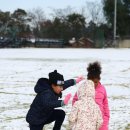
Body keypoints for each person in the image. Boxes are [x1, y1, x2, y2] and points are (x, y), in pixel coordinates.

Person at [72, 61, 110, 130]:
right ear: (88, 80)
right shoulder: (82, 88)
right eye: (91, 81)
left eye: (95, 82)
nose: (93, 84)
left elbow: (105, 105)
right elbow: (75, 101)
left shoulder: (102, 89)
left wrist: (105, 120)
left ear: (99, 80)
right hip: (85, 121)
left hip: (100, 121)